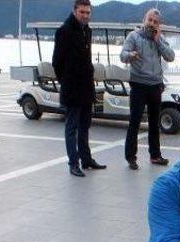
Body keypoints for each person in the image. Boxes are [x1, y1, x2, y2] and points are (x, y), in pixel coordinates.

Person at [52, 0, 106, 177]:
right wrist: (66, 81)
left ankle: (86, 159)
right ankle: (73, 163)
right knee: (72, 127)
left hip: (86, 87)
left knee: (85, 125)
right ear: (74, 11)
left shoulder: (87, 31)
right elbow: (57, 62)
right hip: (72, 87)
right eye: (82, 12)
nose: (85, 16)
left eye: (88, 13)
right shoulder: (64, 31)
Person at [120, 9, 175, 171]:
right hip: (138, 84)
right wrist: (131, 54)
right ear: (144, 19)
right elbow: (122, 55)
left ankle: (155, 155)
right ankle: (131, 157)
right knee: (135, 121)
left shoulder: (160, 38)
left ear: (159, 24)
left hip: (155, 85)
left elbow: (170, 56)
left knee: (154, 122)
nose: (152, 24)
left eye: (155, 22)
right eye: (149, 20)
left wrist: (158, 40)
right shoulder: (134, 36)